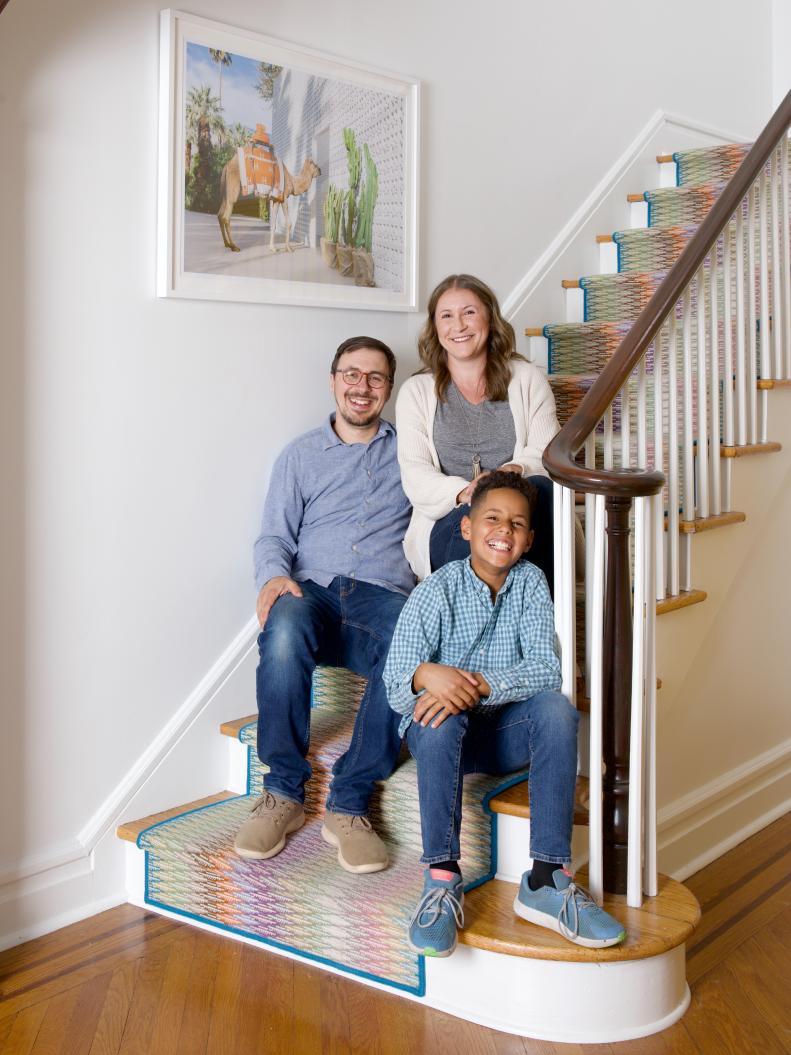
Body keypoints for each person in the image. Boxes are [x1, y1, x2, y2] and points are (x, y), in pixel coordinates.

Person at [383, 471, 626, 956]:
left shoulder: (531, 583)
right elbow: (395, 684)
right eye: (493, 518)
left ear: (529, 540)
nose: (505, 530)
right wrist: (428, 675)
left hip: (508, 734)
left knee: (556, 709)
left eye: (518, 524)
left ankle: (545, 879)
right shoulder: (436, 590)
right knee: (436, 717)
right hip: (448, 742)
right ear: (467, 528)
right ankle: (442, 879)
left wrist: (474, 683)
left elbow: (545, 668)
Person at [234, 336, 415, 874]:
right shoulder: (300, 455)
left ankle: (351, 800)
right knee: (284, 629)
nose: (362, 387)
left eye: (375, 377)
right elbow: (274, 537)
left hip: (382, 597)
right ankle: (283, 793)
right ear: (334, 380)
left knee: (415, 638)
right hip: (311, 590)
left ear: (389, 386)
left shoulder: (410, 452)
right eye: (352, 375)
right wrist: (272, 579)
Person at [395, 274, 559, 590]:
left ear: (489, 318)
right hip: (451, 521)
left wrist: (514, 471)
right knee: (475, 526)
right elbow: (416, 476)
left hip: (520, 512)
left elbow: (548, 452)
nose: (459, 325)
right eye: (447, 316)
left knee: (540, 490)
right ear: (435, 327)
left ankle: (532, 617)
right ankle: (493, 631)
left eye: (469, 312)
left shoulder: (526, 378)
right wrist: (466, 491)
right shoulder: (416, 391)